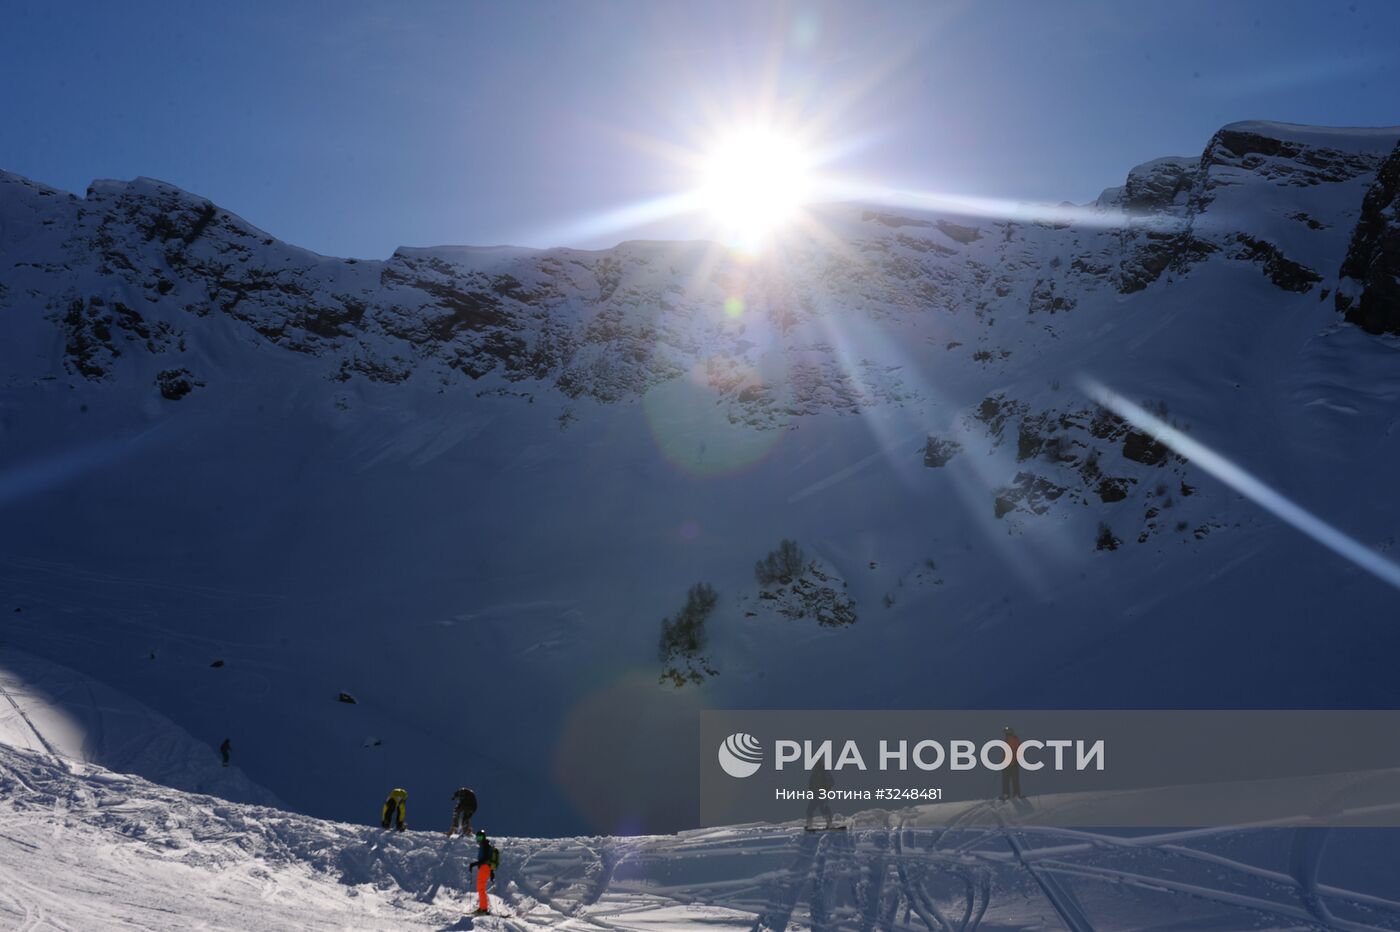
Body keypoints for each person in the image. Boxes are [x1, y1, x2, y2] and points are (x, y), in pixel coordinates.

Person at [467, 828, 498, 914]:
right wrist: (491, 872)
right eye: (478, 838)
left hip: (484, 868)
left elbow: (485, 860)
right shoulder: (486, 846)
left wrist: (474, 864)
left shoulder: (485, 846)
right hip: (485, 869)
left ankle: (483, 909)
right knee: (481, 888)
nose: (479, 840)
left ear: (483, 837)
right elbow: (488, 861)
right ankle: (482, 908)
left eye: (480, 838)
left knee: (480, 888)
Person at [805, 761, 834, 830]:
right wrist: (811, 791)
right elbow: (811, 783)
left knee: (823, 809)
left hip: (822, 794)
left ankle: (829, 824)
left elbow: (832, 782)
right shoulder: (814, 773)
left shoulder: (824, 772)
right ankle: (809, 825)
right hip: (815, 795)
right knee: (810, 810)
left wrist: (826, 789)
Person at [1000, 726, 1025, 800]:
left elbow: (1017, 751)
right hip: (1006, 764)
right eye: (1005, 732)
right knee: (1006, 780)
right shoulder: (1007, 741)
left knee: (1014, 779)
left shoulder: (1014, 740)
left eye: (1007, 732)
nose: (1005, 734)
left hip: (1013, 763)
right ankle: (1007, 794)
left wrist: (1014, 761)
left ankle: (1015, 794)